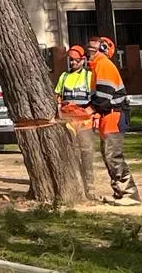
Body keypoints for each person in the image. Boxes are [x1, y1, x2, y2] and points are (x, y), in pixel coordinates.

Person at [87, 35, 139, 205]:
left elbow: (103, 97)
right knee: (108, 155)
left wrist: (90, 110)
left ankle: (129, 194)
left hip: (114, 116)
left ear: (102, 49)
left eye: (91, 48)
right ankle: (119, 192)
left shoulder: (104, 65)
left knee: (113, 155)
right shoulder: (96, 67)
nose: (88, 51)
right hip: (106, 116)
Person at [54, 45, 97, 199]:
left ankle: (90, 187)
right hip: (68, 122)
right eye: (70, 60)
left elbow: (95, 99)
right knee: (70, 153)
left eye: (75, 60)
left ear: (82, 60)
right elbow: (58, 96)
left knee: (87, 154)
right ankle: (74, 185)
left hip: (85, 122)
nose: (72, 63)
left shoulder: (89, 77)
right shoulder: (64, 77)